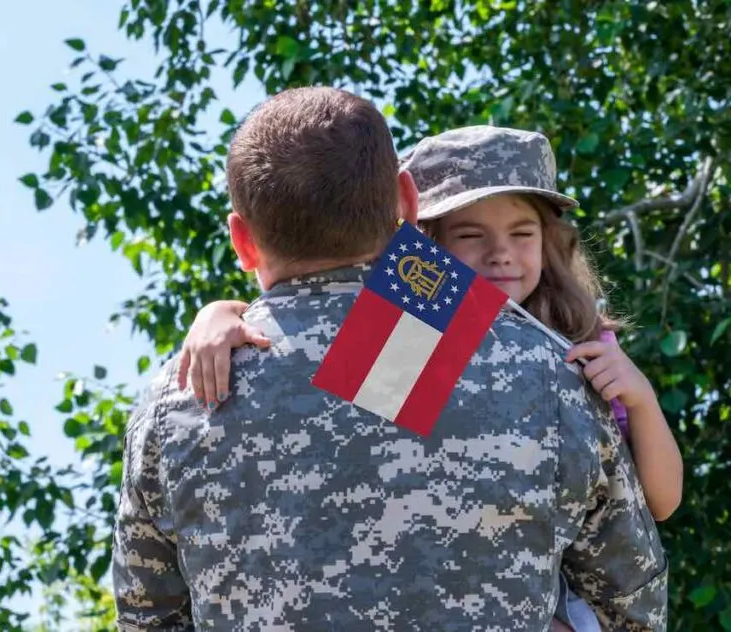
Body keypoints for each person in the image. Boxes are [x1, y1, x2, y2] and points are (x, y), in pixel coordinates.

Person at [113, 94, 669, 631]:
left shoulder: (183, 393)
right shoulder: (547, 369)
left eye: (522, 234)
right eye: (470, 235)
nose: (500, 256)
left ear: (241, 239)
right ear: (408, 203)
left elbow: (148, 617)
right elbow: (633, 606)